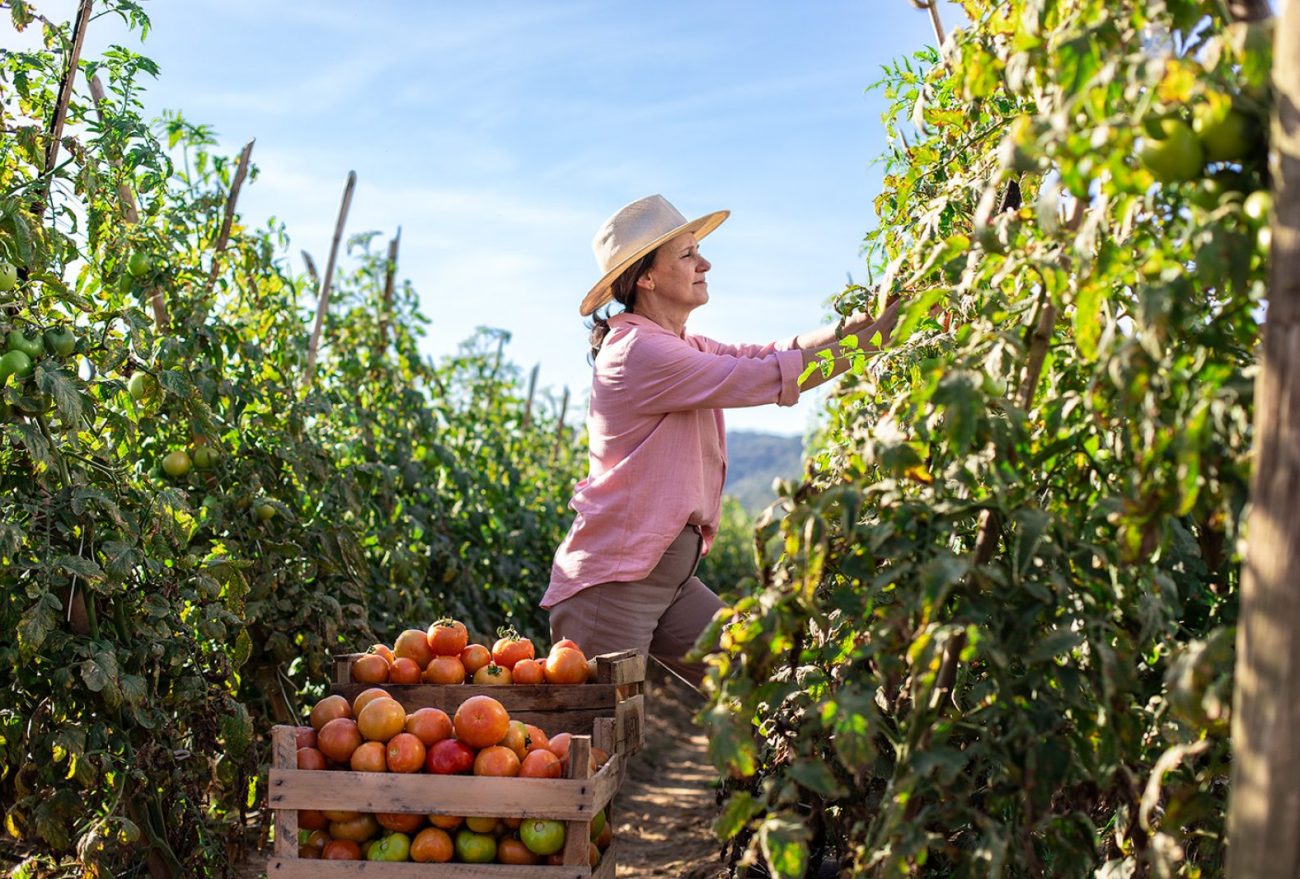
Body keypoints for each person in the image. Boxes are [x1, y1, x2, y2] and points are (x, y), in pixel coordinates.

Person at [542, 194, 899, 689]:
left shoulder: (678, 344)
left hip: (667, 578)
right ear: (645, 277)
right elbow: (762, 377)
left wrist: (859, 324)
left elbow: (774, 351)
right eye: (687, 255)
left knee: (758, 677)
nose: (704, 262)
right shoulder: (639, 352)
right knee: (598, 743)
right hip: (615, 587)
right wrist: (879, 339)